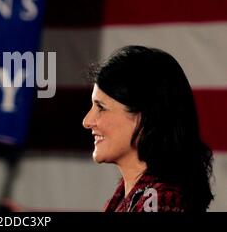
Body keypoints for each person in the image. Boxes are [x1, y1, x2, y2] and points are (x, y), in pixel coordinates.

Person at [82, 45, 213, 212]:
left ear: (145, 117)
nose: (87, 121)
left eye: (101, 107)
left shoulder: (164, 202)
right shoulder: (131, 199)